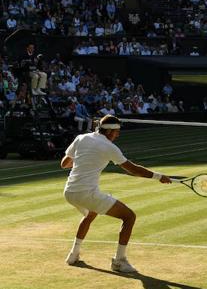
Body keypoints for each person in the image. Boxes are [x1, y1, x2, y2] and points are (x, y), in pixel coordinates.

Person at [61, 115, 172, 272]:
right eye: (117, 131)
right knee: (129, 217)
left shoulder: (81, 138)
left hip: (69, 192)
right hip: (86, 193)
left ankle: (73, 254)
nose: (118, 135)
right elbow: (132, 169)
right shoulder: (109, 147)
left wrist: (84, 158)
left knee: (90, 214)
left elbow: (65, 163)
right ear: (110, 132)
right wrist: (159, 176)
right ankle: (119, 261)